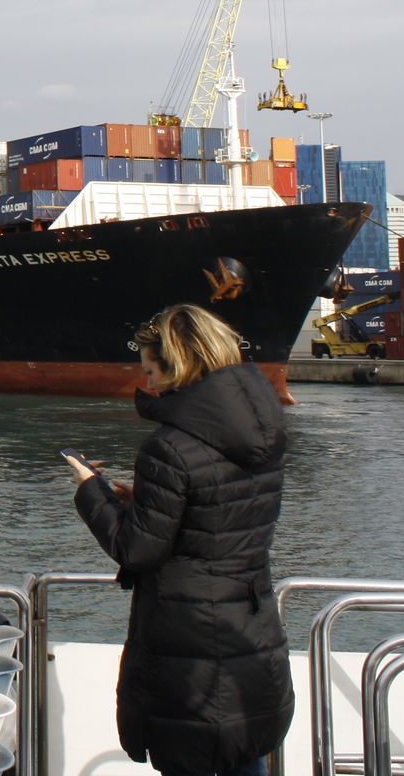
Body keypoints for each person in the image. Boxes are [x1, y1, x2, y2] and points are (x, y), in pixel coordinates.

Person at [69, 304, 294, 776]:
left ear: (179, 365)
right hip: (251, 625)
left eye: (150, 370)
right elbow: (223, 513)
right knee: (244, 753)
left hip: (187, 642)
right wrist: (144, 497)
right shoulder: (265, 432)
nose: (147, 383)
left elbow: (136, 549)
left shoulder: (169, 447)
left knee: (189, 753)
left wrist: (90, 490)